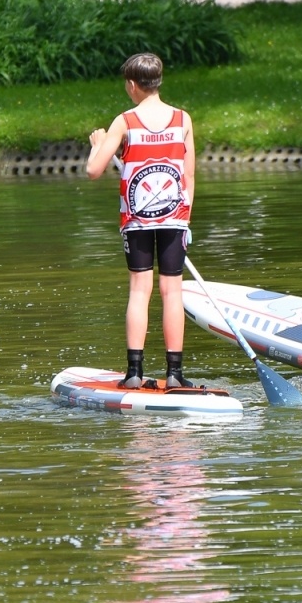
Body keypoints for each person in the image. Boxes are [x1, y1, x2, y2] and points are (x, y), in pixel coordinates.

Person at [85, 52, 198, 390]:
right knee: (172, 292)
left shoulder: (125, 121)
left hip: (137, 219)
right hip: (176, 218)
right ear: (158, 82)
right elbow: (189, 177)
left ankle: (134, 373)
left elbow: (93, 170)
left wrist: (97, 145)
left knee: (139, 290)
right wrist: (184, 222)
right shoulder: (183, 119)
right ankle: (175, 374)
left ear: (132, 85)